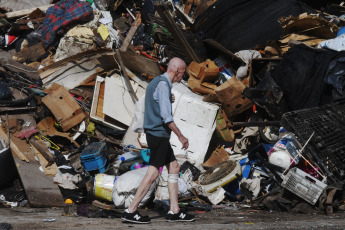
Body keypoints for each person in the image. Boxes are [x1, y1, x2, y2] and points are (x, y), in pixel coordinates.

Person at [121, 57, 195, 224]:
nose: (182, 77)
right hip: (159, 135)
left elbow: (154, 102)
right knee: (153, 173)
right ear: (177, 71)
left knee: (174, 168)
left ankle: (174, 211)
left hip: (157, 135)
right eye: (182, 74)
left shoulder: (157, 83)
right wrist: (181, 136)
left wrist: (167, 99)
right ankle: (131, 210)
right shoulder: (163, 84)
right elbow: (166, 117)